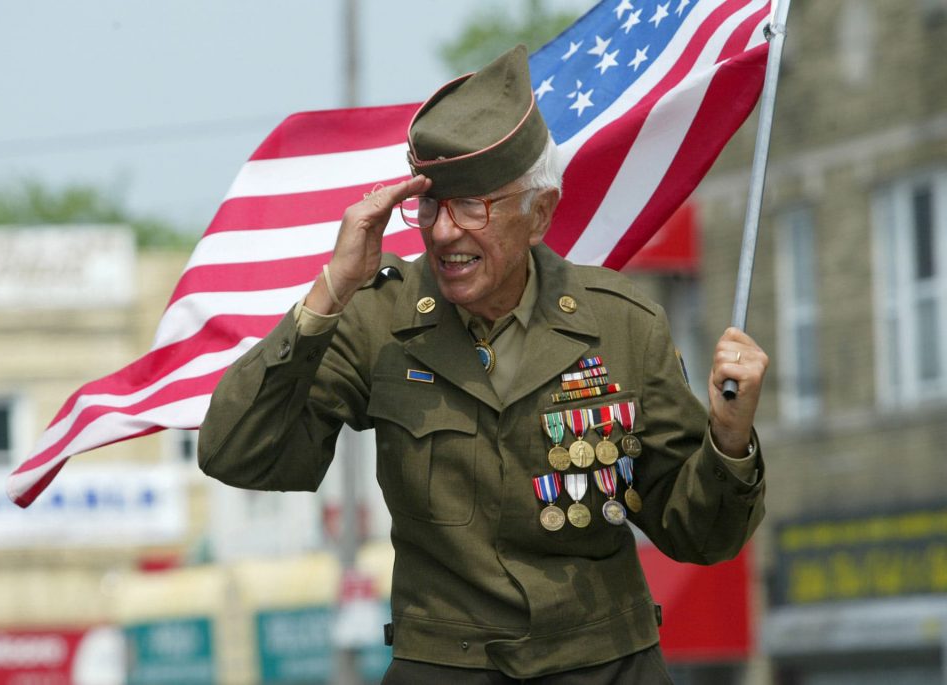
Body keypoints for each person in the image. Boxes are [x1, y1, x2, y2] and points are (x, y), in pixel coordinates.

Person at [199, 45, 767, 684]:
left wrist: (729, 439)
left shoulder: (621, 323)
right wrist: (330, 290)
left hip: (606, 667)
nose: (443, 233)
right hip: (447, 669)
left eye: (473, 206)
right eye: (431, 206)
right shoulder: (375, 318)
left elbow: (701, 536)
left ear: (540, 213)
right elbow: (236, 454)